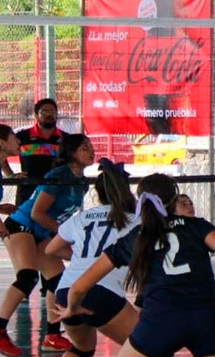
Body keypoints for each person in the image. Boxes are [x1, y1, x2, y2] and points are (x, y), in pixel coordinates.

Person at [57, 173, 215, 357]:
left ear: (140, 200)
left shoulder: (135, 238)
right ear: (174, 200)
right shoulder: (196, 226)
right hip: (208, 317)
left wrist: (72, 309)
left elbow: (79, 287)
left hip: (160, 320)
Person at [0, 134, 94, 355]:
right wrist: (64, 235)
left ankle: (52, 334)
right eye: (84, 148)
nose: (91, 151)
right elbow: (37, 213)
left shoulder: (82, 183)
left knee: (58, 279)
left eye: (90, 147)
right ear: (71, 153)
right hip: (23, 225)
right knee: (28, 276)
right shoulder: (58, 176)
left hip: (43, 233)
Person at [45, 158, 140, 356]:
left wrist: (79, 257)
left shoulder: (83, 217)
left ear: (98, 192)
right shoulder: (134, 219)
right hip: (99, 291)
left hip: (65, 292)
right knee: (148, 346)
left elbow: (51, 250)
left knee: (82, 349)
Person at [2, 98, 68, 207]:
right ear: (36, 115)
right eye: (44, 112)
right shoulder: (22, 137)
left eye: (52, 111)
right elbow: (2, 154)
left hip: (57, 195)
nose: (49, 114)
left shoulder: (66, 139)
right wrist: (11, 175)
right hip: (27, 195)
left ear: (57, 114)